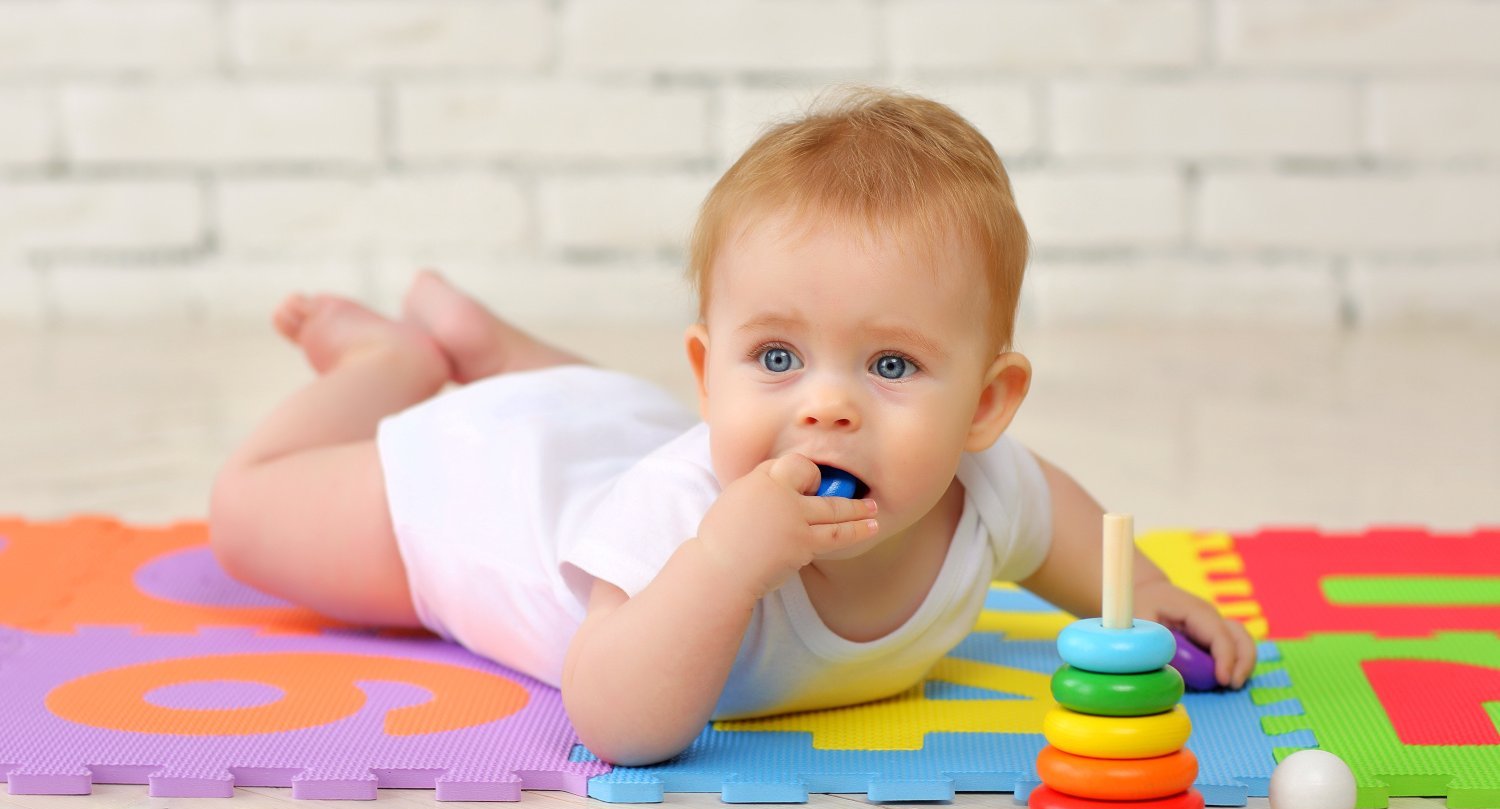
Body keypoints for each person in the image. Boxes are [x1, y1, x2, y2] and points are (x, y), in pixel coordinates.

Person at [210, 87, 1257, 767]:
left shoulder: (981, 494)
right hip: (487, 503)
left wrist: (1147, 594)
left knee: (614, 421)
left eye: (891, 365)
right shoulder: (684, 511)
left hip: (613, 432)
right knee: (244, 512)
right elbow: (613, 720)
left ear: (985, 405)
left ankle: (493, 347)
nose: (824, 406)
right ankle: (391, 365)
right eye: (778, 359)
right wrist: (725, 564)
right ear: (710, 372)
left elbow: (1061, 522)